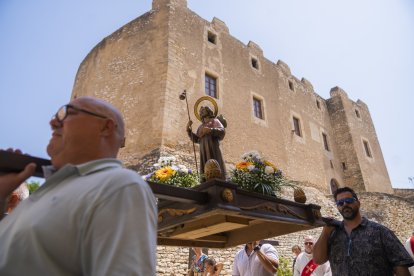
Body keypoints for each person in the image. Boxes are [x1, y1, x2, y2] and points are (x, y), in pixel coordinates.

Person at [0, 97, 157, 275]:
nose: (53, 122)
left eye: (68, 113)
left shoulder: (118, 186)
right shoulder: (44, 194)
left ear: (106, 127)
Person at [313, 186, 414, 276]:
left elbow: (401, 268)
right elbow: (318, 260)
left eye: (348, 200)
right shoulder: (333, 234)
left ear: (358, 202)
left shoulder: (380, 232)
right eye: (340, 203)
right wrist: (325, 231)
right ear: (338, 207)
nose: (345, 204)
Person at [187, 106, 226, 180]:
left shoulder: (214, 121)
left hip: (212, 146)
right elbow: (197, 139)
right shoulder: (200, 127)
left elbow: (222, 131)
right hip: (203, 148)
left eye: (203, 110)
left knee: (214, 163)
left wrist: (211, 130)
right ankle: (205, 180)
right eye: (200, 111)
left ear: (208, 111)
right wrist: (189, 131)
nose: (201, 112)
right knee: (204, 166)